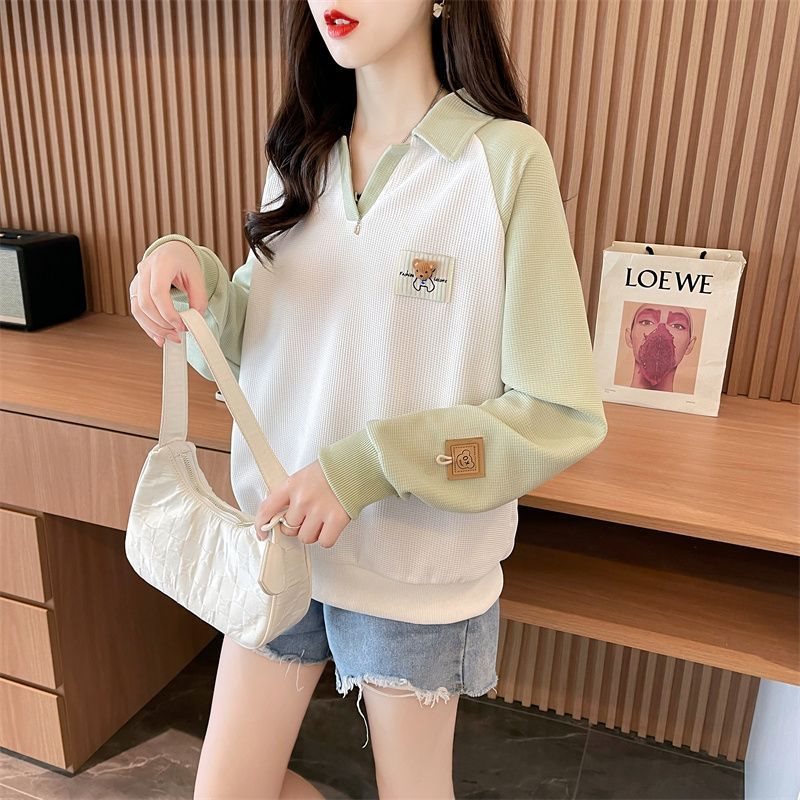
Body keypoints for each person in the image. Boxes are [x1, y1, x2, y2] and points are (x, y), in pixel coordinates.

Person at [128, 0, 609, 797]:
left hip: (413, 570)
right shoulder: (299, 154)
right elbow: (262, 344)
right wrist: (193, 281)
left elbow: (556, 416)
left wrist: (370, 467)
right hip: (279, 547)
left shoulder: (502, 162)